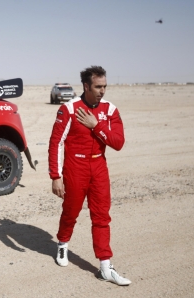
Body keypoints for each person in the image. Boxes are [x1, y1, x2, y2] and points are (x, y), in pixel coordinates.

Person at [47, 66, 131, 286]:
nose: (102, 91)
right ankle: (63, 244)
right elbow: (56, 143)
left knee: (102, 216)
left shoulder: (110, 110)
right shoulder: (69, 109)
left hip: (99, 166)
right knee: (71, 211)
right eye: (98, 87)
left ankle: (105, 266)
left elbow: (118, 143)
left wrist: (97, 125)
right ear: (86, 86)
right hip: (75, 166)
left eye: (105, 86)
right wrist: (56, 176)